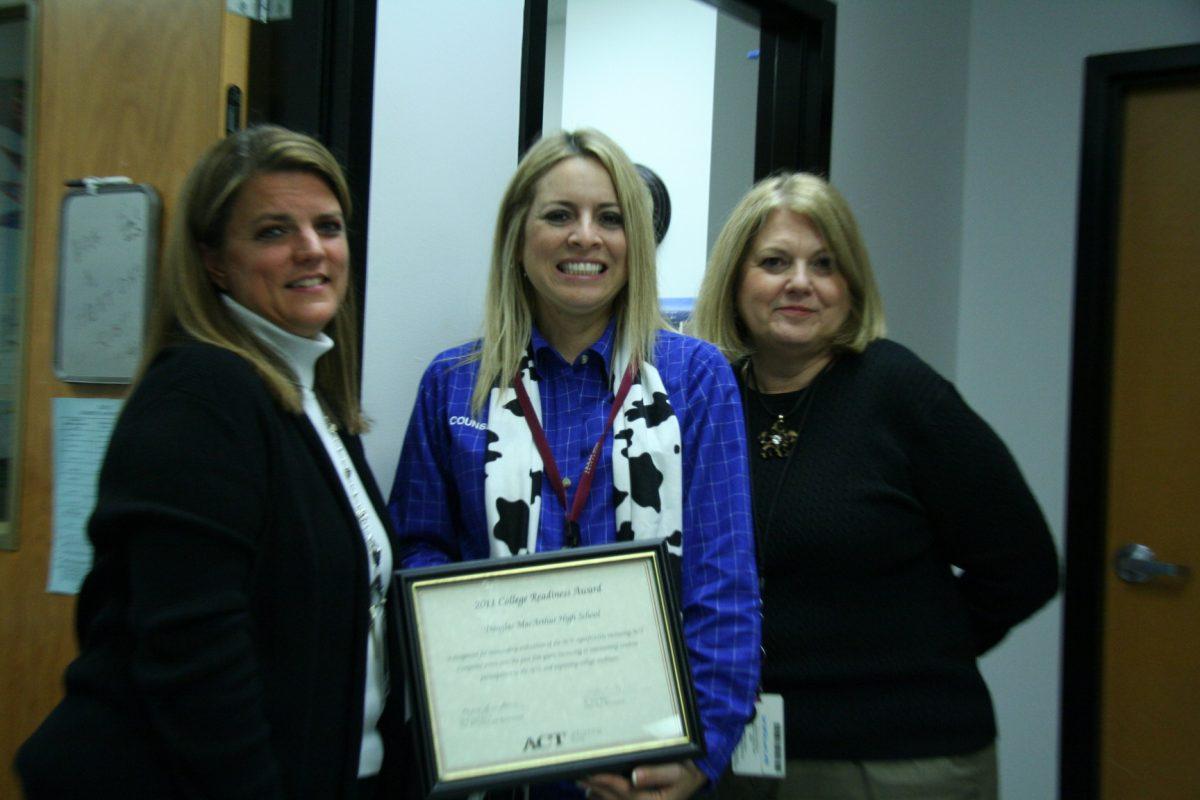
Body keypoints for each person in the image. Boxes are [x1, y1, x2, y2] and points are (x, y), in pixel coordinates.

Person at [16, 125, 411, 800]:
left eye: (328, 225)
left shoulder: (307, 398)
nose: (312, 249)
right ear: (214, 262)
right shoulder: (201, 397)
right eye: (273, 231)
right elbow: (194, 662)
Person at [387, 128, 759, 799]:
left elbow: (723, 584)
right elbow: (418, 552)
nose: (585, 237)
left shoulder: (695, 378)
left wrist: (700, 752)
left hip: (649, 759)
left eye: (610, 218)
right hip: (499, 762)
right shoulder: (453, 385)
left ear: (635, 243)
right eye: (559, 215)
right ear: (518, 238)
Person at [690, 172, 1059, 800]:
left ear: (850, 285)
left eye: (824, 264)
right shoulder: (710, 398)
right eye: (774, 262)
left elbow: (1025, 565)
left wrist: (918, 655)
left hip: (901, 761)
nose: (799, 282)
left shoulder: (900, 392)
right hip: (744, 754)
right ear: (735, 279)